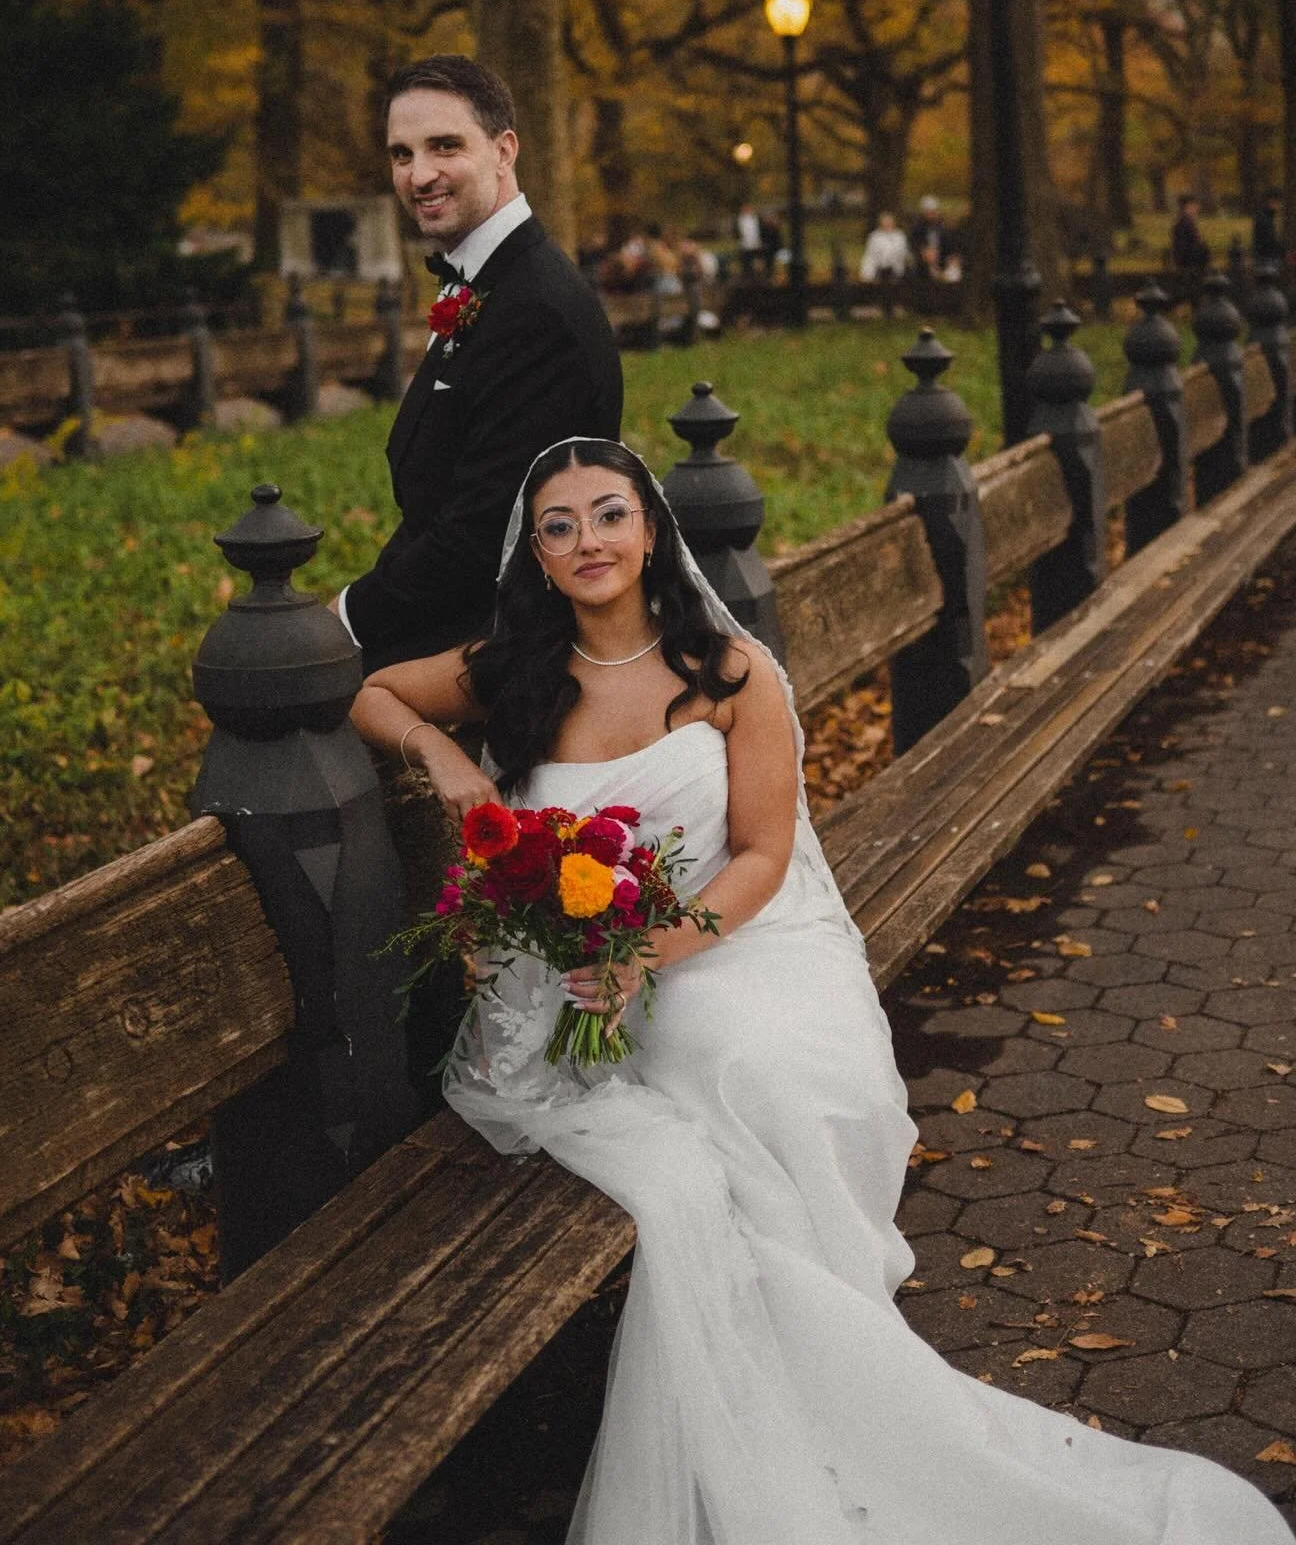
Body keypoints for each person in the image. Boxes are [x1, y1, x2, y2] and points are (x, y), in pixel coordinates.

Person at [351, 438, 1287, 1544]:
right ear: (538, 556)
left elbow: (757, 855)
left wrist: (650, 953)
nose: (587, 542)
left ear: (651, 530)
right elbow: (370, 692)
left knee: (757, 1069)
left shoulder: (732, 673)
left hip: (723, 944)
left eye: (609, 515)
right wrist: (446, 756)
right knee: (692, 1126)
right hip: (575, 977)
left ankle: (829, 1340)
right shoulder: (511, 666)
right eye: (559, 527)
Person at [332, 56, 622, 672]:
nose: (419, 175)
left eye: (444, 146)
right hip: (455, 614)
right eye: (401, 154)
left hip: (509, 647)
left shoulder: (535, 310)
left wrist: (348, 617)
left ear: (504, 151)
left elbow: (483, 538)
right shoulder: (487, 281)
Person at [859, 208, 911, 284]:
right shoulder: (874, 237)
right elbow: (869, 256)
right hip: (879, 271)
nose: (888, 223)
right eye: (885, 221)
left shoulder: (900, 236)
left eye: (890, 221)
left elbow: (905, 254)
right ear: (880, 222)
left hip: (896, 272)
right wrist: (866, 274)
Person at [1170, 193, 1211, 283]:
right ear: (1188, 206)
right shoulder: (1185, 222)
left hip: (1187, 258)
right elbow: (1189, 244)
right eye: (1195, 205)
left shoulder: (1185, 220)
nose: (1198, 208)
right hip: (1187, 260)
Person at [1251, 188, 1283, 264]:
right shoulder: (1264, 219)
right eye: (1277, 202)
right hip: (1266, 259)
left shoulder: (1268, 217)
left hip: (1266, 258)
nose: (1279, 205)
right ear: (1270, 202)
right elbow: (1267, 241)